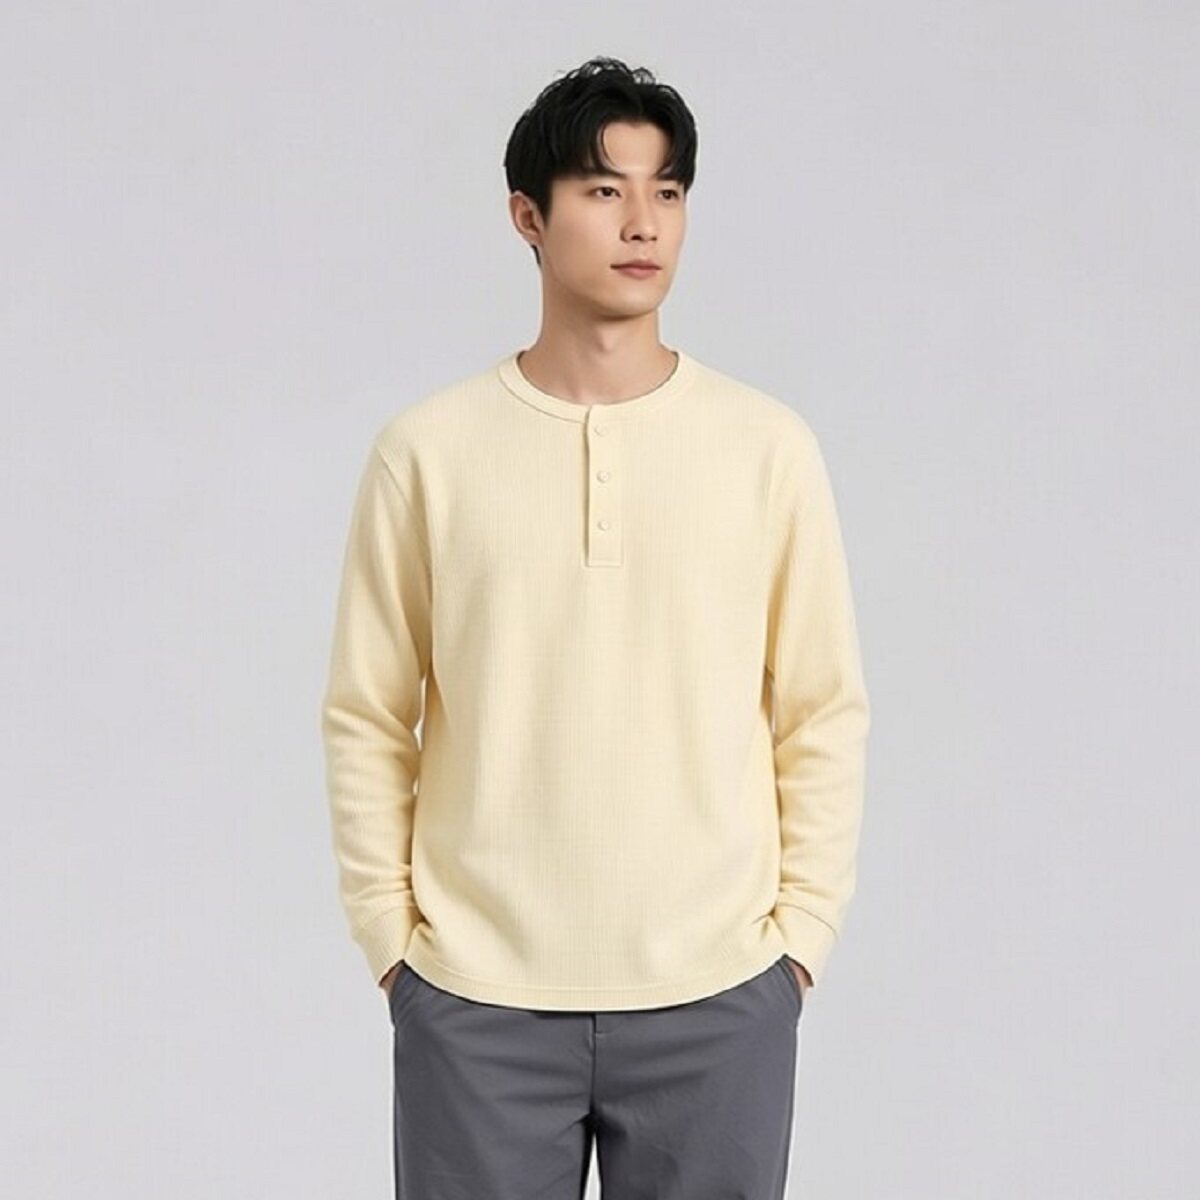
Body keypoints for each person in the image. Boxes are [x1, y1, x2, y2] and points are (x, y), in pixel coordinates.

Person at [320, 54, 871, 1200]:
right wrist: (393, 944)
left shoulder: (766, 448)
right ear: (527, 216)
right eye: (603, 189)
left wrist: (800, 941)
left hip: (719, 993)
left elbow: (820, 709)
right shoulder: (428, 452)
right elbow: (368, 713)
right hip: (476, 1000)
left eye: (667, 191)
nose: (642, 222)